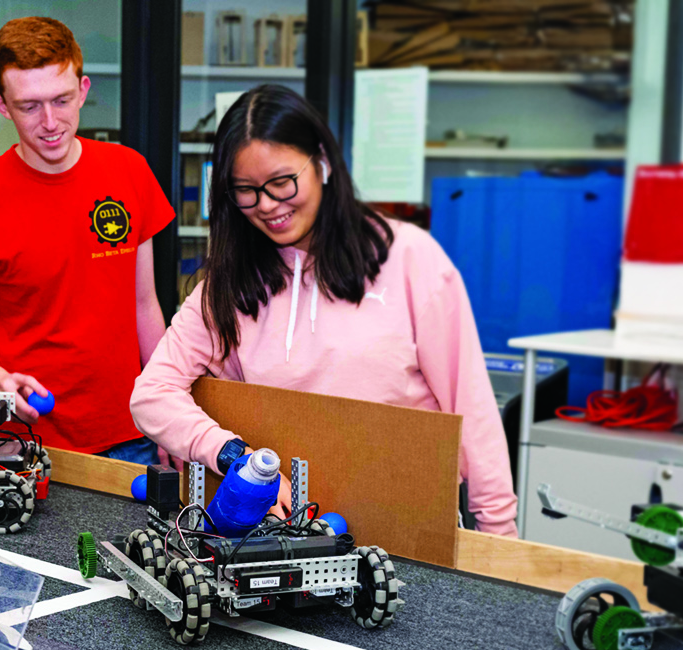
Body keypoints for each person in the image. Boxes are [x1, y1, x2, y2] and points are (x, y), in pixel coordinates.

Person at [130, 85, 518, 535]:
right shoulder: (227, 284)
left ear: (323, 163)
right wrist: (232, 454)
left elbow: (470, 406)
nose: (268, 206)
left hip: (410, 533)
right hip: (280, 537)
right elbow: (152, 394)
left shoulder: (408, 257)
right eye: (246, 191)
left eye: (281, 183)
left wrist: (499, 538)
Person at [0, 17, 175, 463]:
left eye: (62, 100)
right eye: (29, 106)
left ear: (83, 89)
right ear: (1, 105)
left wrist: (170, 416)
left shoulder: (130, 171)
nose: (49, 122)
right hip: (28, 442)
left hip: (133, 431)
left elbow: (145, 305)